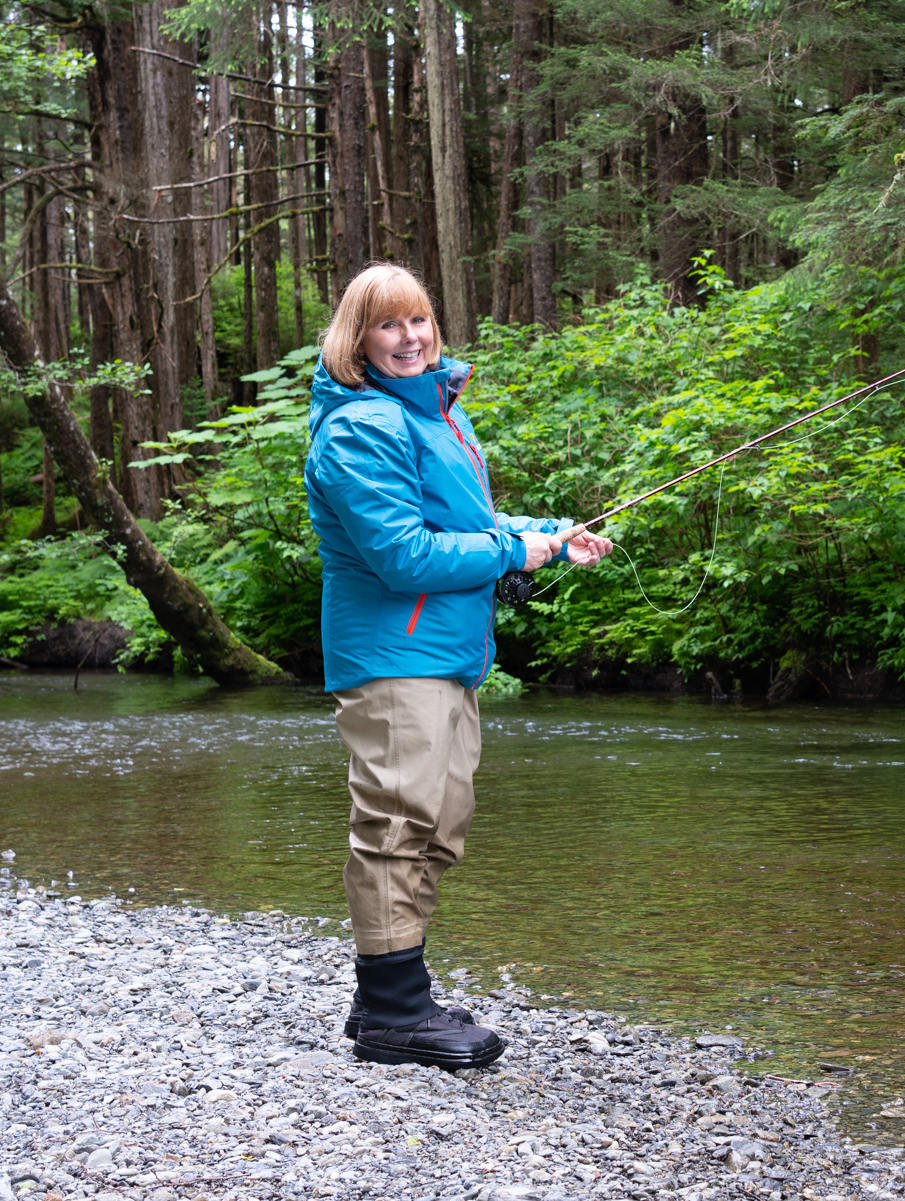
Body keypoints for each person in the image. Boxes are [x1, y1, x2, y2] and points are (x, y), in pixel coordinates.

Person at [304, 263, 610, 1070]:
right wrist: (516, 549)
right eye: (389, 325)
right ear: (357, 339)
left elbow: (464, 523)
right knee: (399, 823)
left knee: (438, 824)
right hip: (393, 654)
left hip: (445, 654)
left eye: (420, 321)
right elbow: (404, 555)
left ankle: (388, 996)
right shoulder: (360, 426)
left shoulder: (436, 416)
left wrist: (551, 532)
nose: (410, 338)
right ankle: (396, 1014)